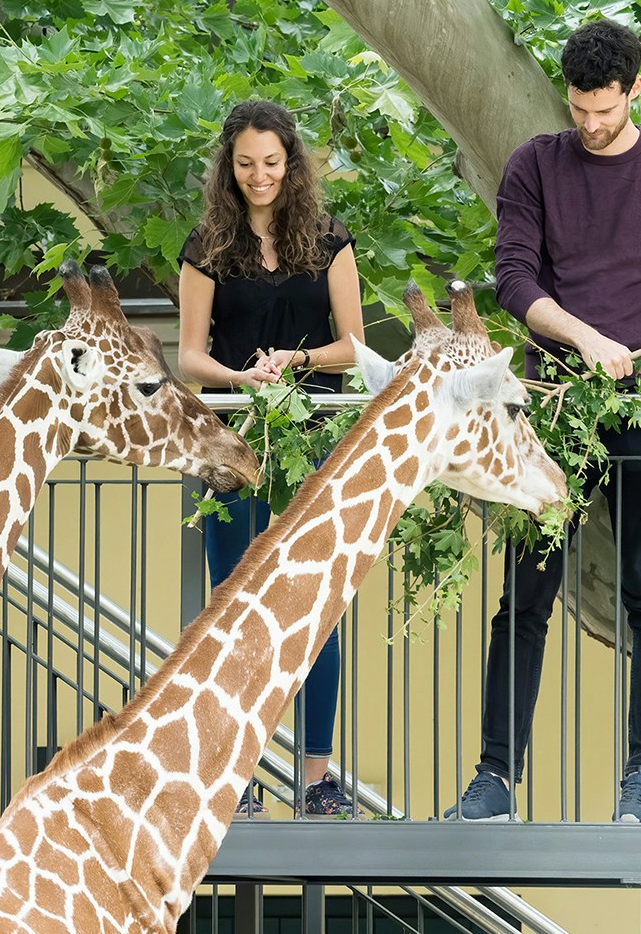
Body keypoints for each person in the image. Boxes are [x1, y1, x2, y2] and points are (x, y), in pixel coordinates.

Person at [448, 19, 641, 823]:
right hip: (552, 406)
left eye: (604, 109)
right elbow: (514, 279)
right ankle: (494, 778)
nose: (589, 123)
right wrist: (585, 339)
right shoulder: (534, 166)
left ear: (633, 92)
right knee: (524, 595)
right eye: (579, 108)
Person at [176, 99, 367, 819]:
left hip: (312, 442)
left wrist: (299, 358)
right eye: (247, 164)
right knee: (234, 611)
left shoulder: (329, 238)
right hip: (231, 444)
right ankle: (239, 776)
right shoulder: (206, 245)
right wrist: (242, 377)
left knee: (314, 609)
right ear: (230, 165)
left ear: (292, 163)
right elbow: (192, 355)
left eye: (272, 163)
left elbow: (353, 345)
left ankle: (317, 779)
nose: (260, 176)